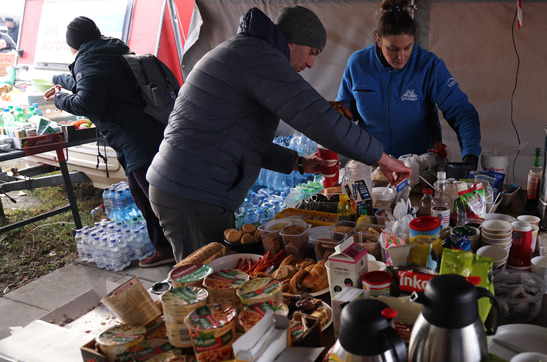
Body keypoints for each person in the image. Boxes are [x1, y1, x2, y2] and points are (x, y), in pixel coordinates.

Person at [146, 6, 411, 263]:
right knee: (204, 286)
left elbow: (240, 139)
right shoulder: (258, 59)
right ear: (293, 42)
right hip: (192, 193)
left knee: (213, 280)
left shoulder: (246, 52)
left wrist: (298, 163)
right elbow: (318, 117)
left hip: (190, 189)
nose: (310, 63)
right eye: (312, 52)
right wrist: (382, 158)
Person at [46, 16, 175, 267]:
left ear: (73, 43)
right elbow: (94, 84)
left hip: (133, 137)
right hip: (148, 129)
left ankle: (177, 247)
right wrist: (61, 79)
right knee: (142, 192)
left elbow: (88, 102)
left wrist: (59, 100)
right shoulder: (112, 50)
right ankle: (165, 245)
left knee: (153, 197)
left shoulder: (89, 59)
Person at [336, 0, 481, 162]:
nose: (401, 56)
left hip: (420, 165)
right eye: (393, 48)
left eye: (408, 47)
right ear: (378, 40)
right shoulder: (358, 64)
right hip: (372, 162)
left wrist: (470, 153)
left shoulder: (429, 65)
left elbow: (461, 111)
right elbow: (342, 113)